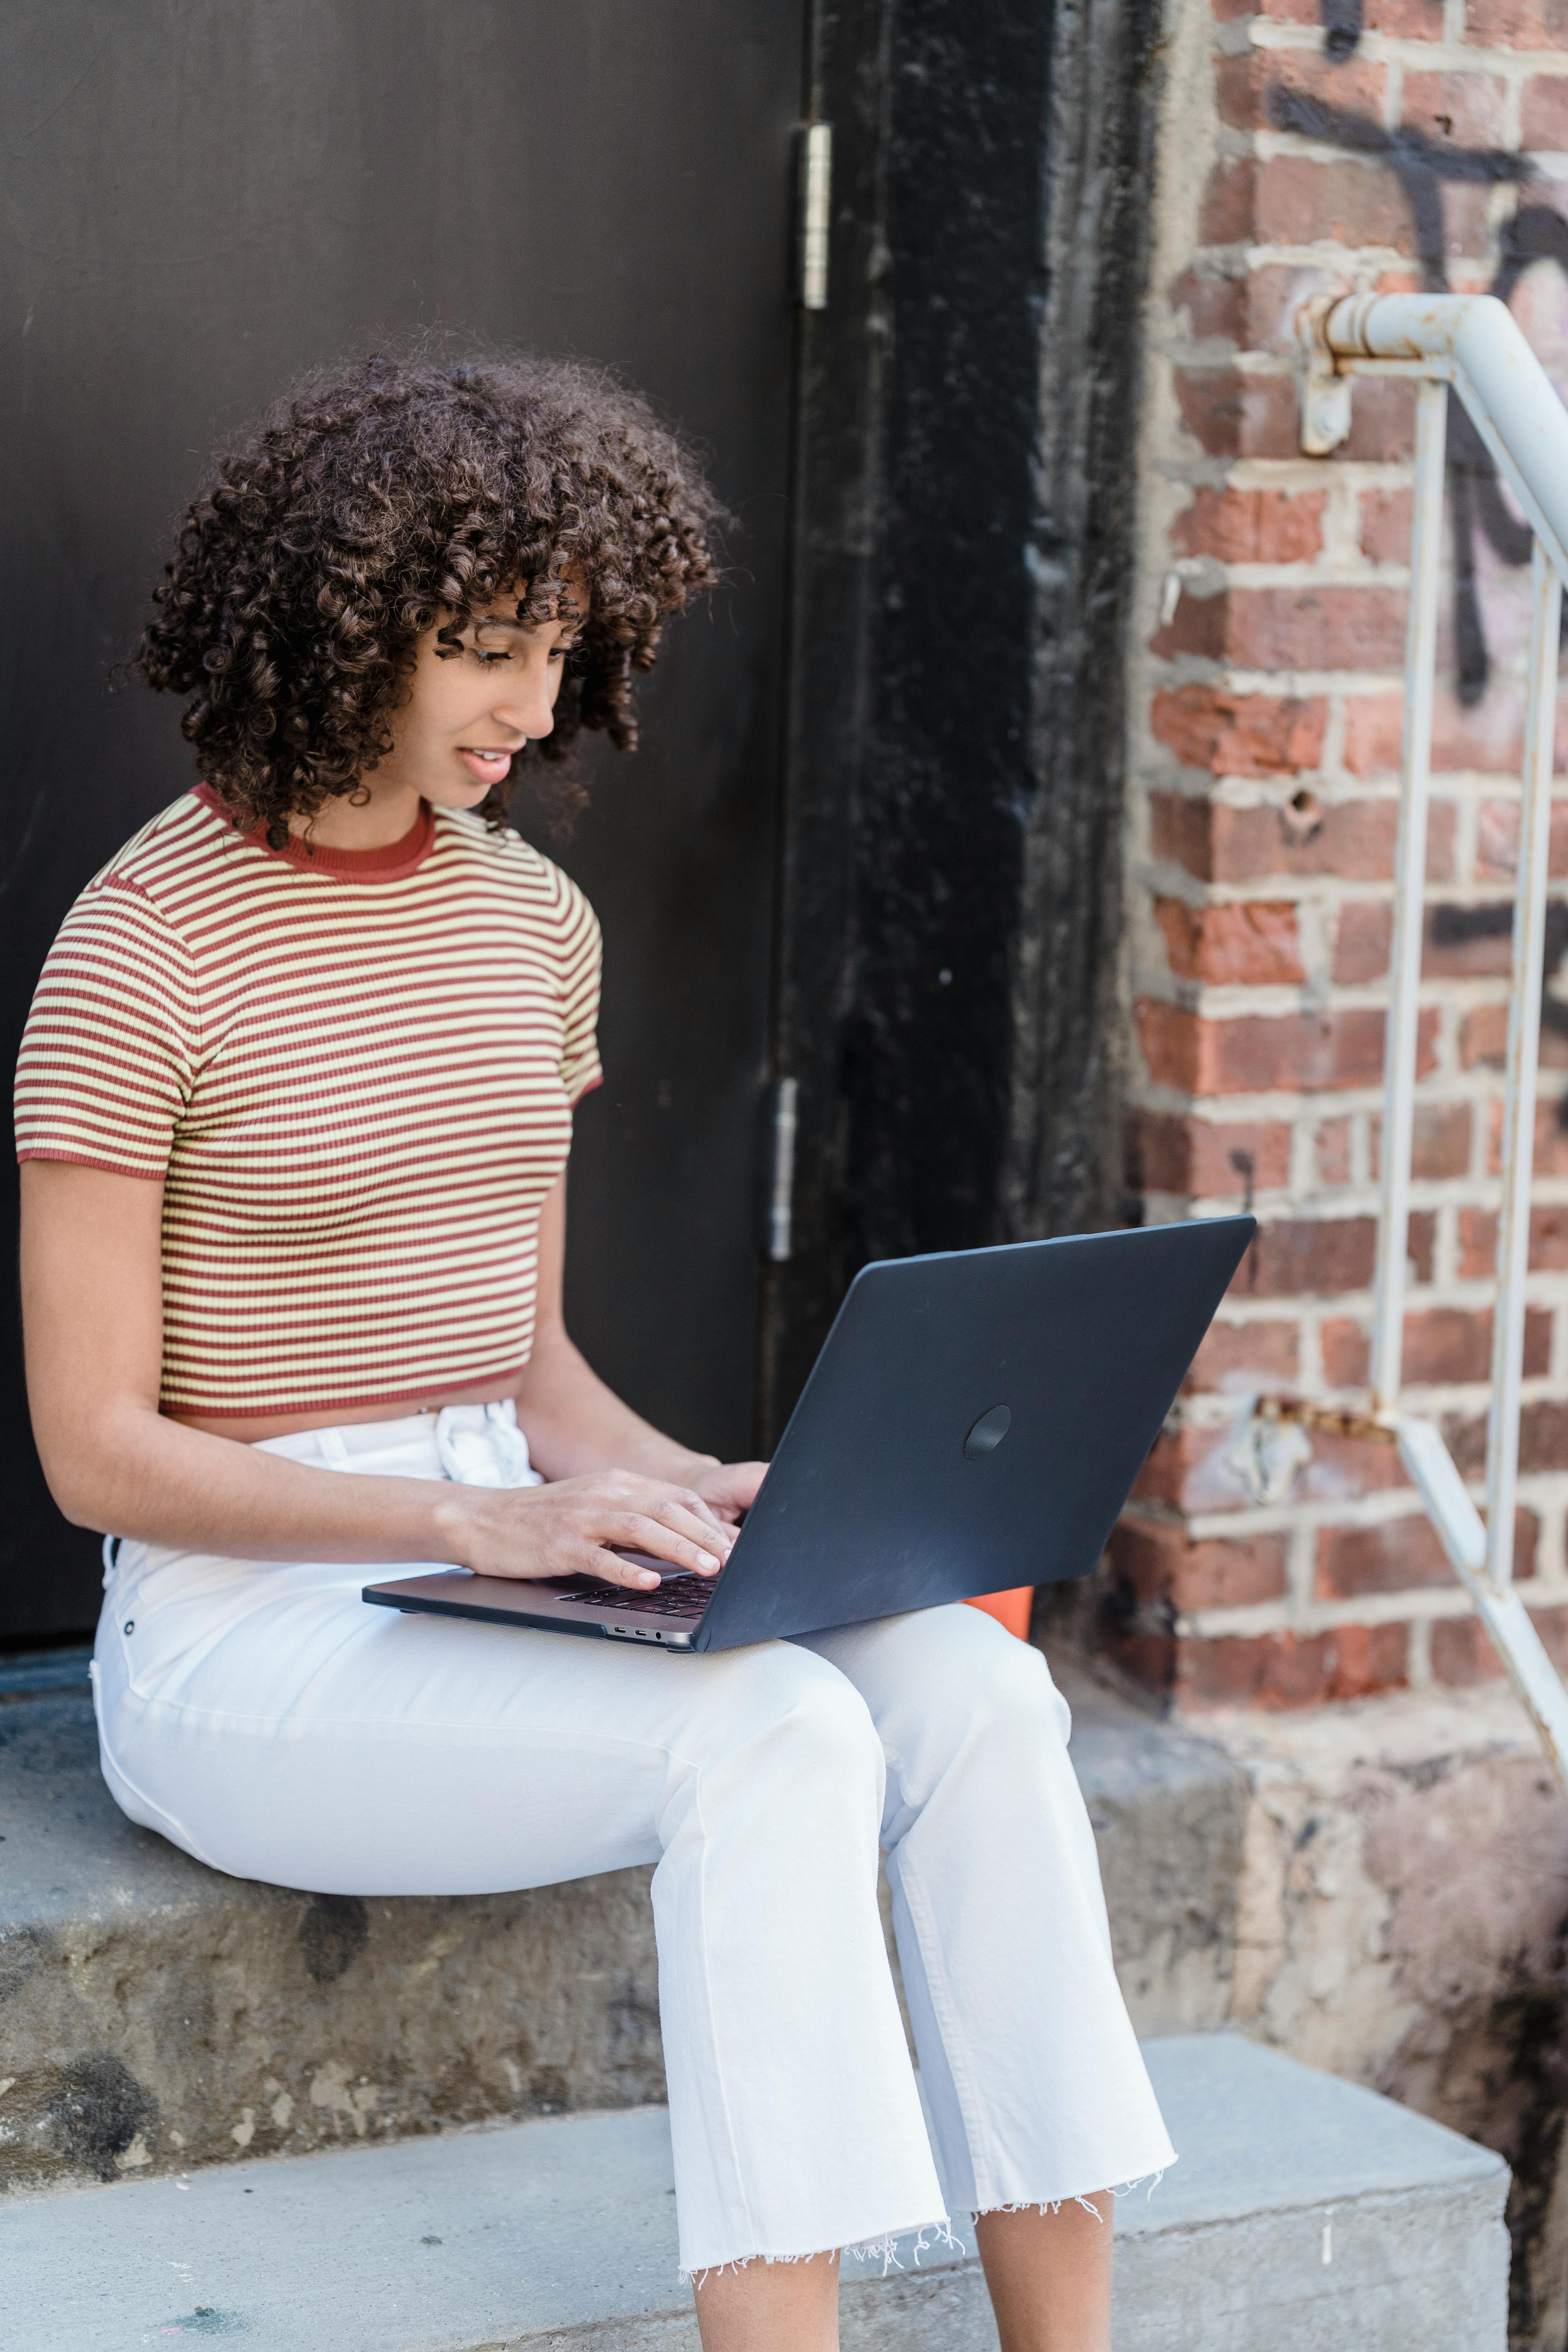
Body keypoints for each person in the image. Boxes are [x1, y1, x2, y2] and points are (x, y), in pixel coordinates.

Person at [15, 355, 1172, 2352]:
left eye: (563, 650)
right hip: (246, 1630)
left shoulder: (533, 927)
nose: (536, 711)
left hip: (498, 1546)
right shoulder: (141, 950)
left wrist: (706, 1495)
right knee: (777, 1733)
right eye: (487, 649)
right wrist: (476, 1530)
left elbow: (529, 1366)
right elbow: (97, 1455)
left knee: (977, 1695)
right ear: (345, 619)